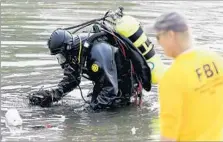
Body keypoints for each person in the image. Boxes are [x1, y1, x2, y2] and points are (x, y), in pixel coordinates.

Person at [28, 25, 154, 111]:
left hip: (123, 86)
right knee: (92, 103)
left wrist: (90, 112)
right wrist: (53, 95)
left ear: (67, 49)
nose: (61, 61)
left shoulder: (98, 51)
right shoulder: (75, 53)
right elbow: (72, 79)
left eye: (61, 56)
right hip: (106, 81)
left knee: (105, 111)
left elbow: (110, 89)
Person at [153, 12, 223, 141]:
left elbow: (169, 135)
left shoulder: (172, 78)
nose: (158, 44)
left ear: (170, 35)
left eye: (158, 37)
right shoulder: (216, 60)